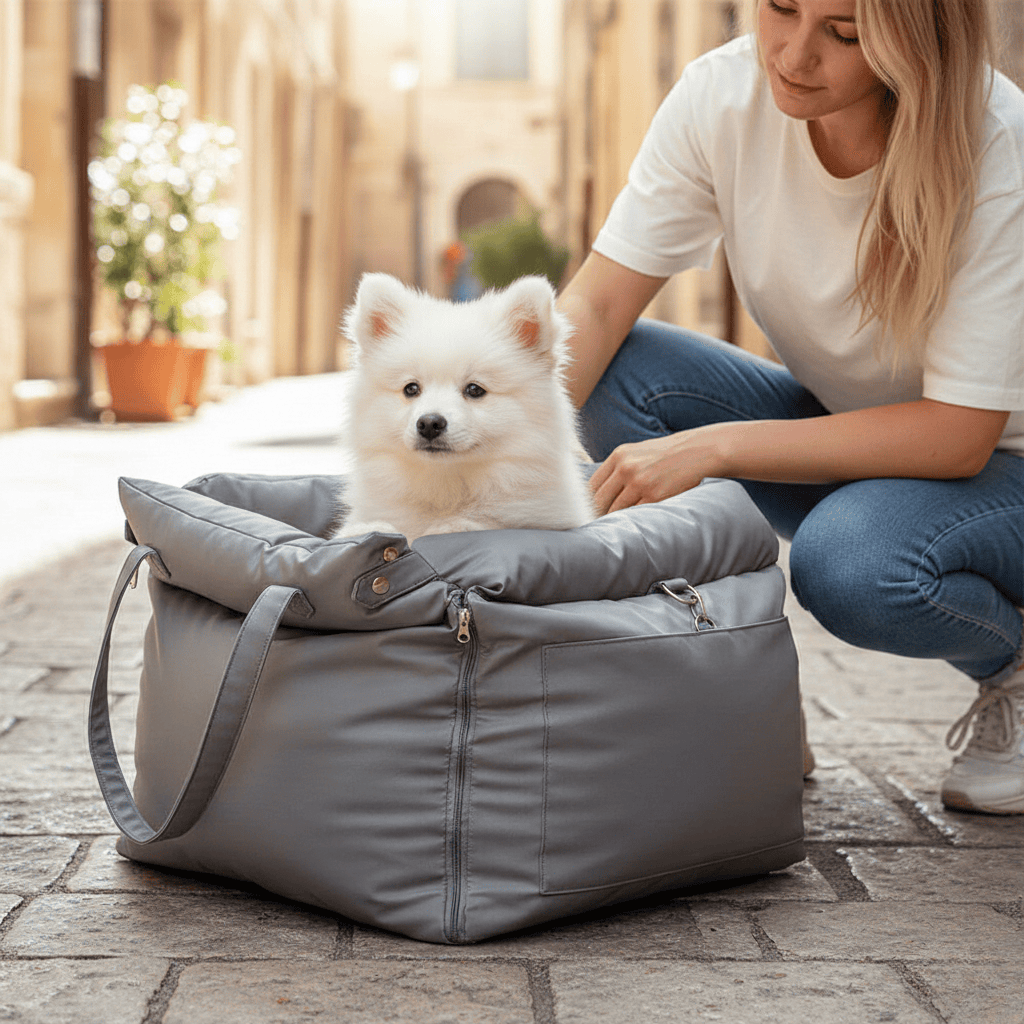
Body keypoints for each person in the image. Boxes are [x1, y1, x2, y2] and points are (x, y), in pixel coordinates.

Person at [557, 0, 1024, 814]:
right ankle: (737, 692)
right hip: (861, 435)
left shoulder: (999, 143)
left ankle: (1012, 665)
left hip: (1000, 473)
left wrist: (715, 449)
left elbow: (957, 437)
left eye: (843, 33)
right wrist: (486, 476)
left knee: (854, 565)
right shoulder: (722, 95)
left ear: (916, 42)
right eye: (780, 8)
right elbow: (595, 308)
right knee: (613, 372)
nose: (794, 53)